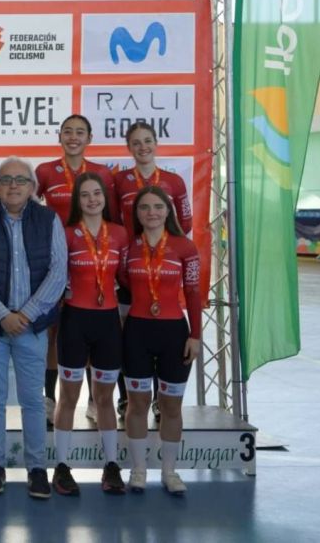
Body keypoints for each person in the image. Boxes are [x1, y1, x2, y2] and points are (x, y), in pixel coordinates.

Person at [0, 156, 67, 500]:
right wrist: (2, 315)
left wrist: (27, 314)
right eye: (6, 179)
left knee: (33, 401)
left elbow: (58, 271)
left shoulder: (49, 219)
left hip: (32, 328)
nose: (13, 185)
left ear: (32, 187)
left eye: (21, 180)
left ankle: (37, 468)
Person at [120, 186, 202, 496]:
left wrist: (195, 335)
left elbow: (193, 292)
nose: (151, 212)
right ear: (137, 214)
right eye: (144, 207)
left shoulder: (185, 247)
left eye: (158, 206)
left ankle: (169, 471)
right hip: (137, 332)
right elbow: (123, 282)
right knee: (137, 403)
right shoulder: (129, 247)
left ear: (168, 211)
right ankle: (138, 469)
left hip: (174, 334)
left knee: (171, 406)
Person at [51, 173, 129, 496]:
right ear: (77, 201)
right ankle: (61, 466)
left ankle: (111, 465)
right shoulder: (67, 233)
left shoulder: (120, 234)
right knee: (69, 396)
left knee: (104, 398)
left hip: (108, 323)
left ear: (104, 198)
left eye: (97, 193)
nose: (92, 200)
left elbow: (126, 276)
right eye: (85, 195)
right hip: (74, 322)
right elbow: (56, 275)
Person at [35, 114, 116, 423]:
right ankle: (49, 398)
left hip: (92, 259)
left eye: (80, 132)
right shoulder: (45, 171)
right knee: (53, 331)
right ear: (59, 137)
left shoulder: (101, 172)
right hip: (55, 259)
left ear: (89, 138)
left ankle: (95, 400)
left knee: (93, 327)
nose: (73, 137)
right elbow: (31, 212)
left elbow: (111, 218)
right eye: (67, 131)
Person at [113, 122, 193, 420]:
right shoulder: (119, 180)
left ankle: (162, 399)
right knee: (129, 337)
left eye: (147, 140)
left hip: (160, 266)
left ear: (156, 143)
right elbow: (113, 221)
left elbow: (185, 223)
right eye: (136, 142)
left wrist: (166, 247)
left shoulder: (174, 181)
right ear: (129, 148)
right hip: (130, 268)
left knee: (163, 333)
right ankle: (126, 398)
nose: (142, 147)